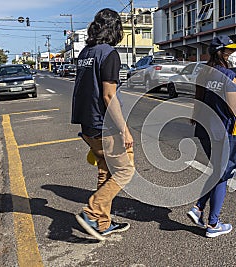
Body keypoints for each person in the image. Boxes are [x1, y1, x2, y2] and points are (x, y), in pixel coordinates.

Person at [71, 8, 135, 240]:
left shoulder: (86, 52)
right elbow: (109, 96)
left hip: (86, 123)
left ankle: (102, 224)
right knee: (126, 170)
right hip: (103, 124)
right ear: (115, 29)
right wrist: (124, 129)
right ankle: (93, 211)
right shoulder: (109, 54)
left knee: (105, 169)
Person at [188, 35, 236, 238]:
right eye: (230, 50)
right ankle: (213, 223)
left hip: (205, 129)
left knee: (218, 170)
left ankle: (199, 208)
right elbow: (235, 108)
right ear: (222, 53)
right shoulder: (228, 75)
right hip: (225, 132)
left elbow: (199, 99)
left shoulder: (204, 72)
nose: (234, 54)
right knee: (223, 174)